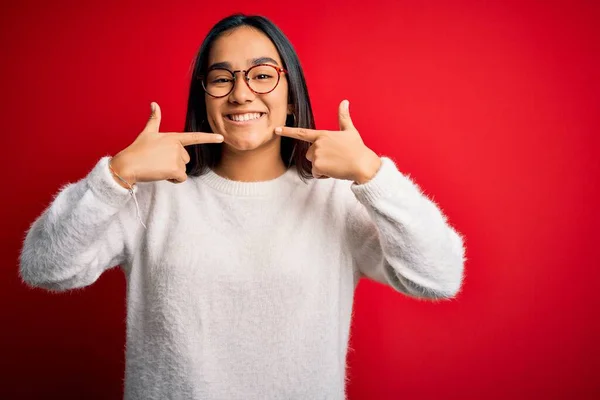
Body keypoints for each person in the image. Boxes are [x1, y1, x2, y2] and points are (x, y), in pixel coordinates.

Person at [19, 13, 466, 400]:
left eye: (262, 74)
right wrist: (115, 176)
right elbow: (44, 266)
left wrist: (372, 174)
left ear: (291, 96)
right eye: (221, 78)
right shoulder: (152, 197)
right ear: (204, 96)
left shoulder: (338, 199)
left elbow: (439, 276)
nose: (241, 93)